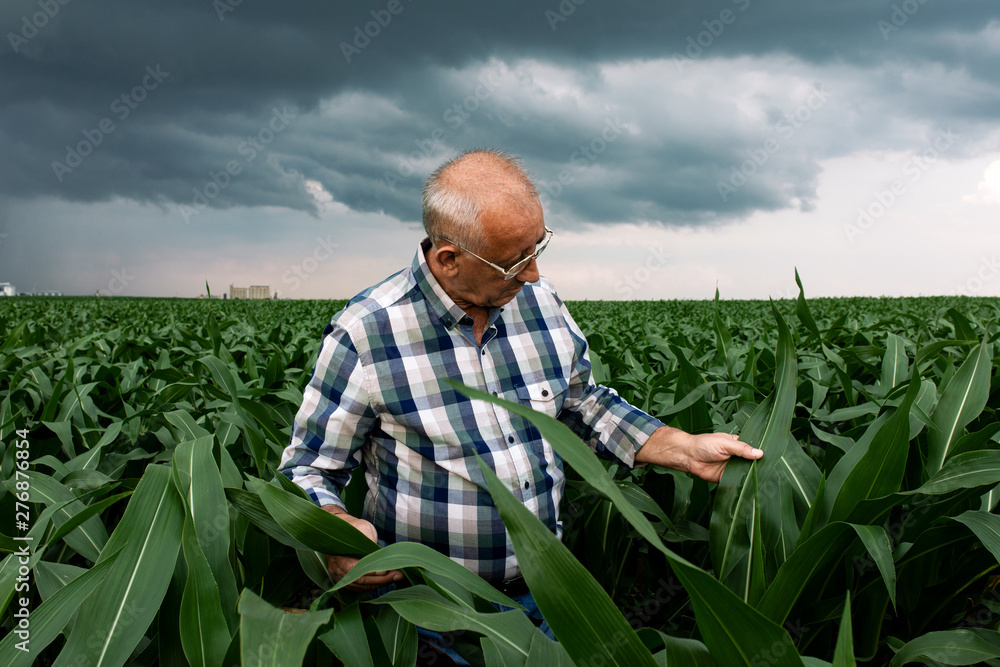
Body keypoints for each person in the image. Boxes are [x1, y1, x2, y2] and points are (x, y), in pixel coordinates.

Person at [278, 147, 762, 603]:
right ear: (449, 260)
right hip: (430, 610)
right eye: (514, 262)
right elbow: (308, 468)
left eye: (538, 248)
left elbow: (581, 405)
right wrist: (335, 532)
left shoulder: (540, 301)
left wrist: (682, 447)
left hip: (548, 593)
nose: (532, 274)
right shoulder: (367, 333)